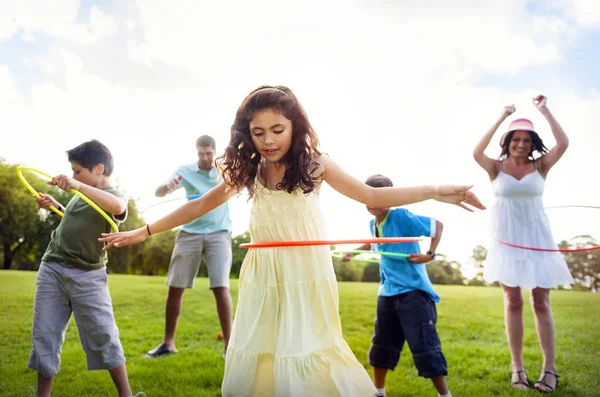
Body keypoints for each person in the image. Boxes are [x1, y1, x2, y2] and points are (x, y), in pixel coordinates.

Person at [100, 85, 485, 397]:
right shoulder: (248, 169)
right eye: (258, 132)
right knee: (263, 348)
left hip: (306, 271)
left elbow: (373, 197)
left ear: (295, 126)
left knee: (305, 347)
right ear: (245, 134)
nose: (268, 140)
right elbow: (200, 204)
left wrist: (435, 189)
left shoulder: (317, 163)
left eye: (277, 130)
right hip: (264, 273)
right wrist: (144, 230)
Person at [472, 95, 572, 392]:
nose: (521, 144)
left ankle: (549, 371)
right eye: (516, 139)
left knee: (541, 301)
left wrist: (545, 110)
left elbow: (563, 144)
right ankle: (518, 370)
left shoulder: (541, 166)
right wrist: (502, 116)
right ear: (507, 142)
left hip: (538, 240)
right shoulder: (495, 168)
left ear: (532, 143)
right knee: (513, 301)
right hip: (507, 243)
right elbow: (476, 152)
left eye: (527, 140)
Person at [28, 140, 143, 397]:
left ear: (99, 169)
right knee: (44, 334)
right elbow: (75, 219)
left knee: (104, 334)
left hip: (88, 276)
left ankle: (126, 394)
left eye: (77, 171)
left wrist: (78, 186)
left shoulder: (114, 195)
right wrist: (56, 207)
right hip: (53, 268)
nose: (73, 176)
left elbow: (117, 208)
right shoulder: (80, 196)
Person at [343, 174, 451, 397]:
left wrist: (429, 255)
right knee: (381, 345)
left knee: (425, 347)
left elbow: (437, 226)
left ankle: (445, 395)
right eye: (368, 198)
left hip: (413, 293)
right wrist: (353, 252)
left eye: (380, 198)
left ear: (392, 198)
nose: (373, 204)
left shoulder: (401, 216)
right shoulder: (373, 223)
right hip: (387, 293)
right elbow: (375, 242)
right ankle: (379, 392)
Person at [147, 135, 234, 359]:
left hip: (219, 233)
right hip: (190, 233)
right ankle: (168, 344)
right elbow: (159, 193)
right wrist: (167, 187)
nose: (205, 157)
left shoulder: (225, 169)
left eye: (208, 153)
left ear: (215, 151)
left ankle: (230, 348)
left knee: (220, 287)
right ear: (196, 152)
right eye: (201, 153)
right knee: (175, 287)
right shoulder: (184, 171)